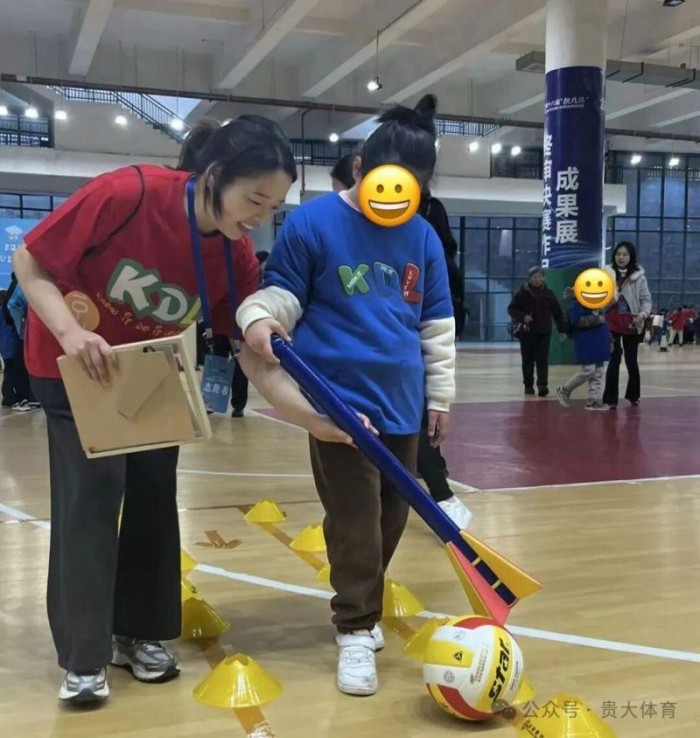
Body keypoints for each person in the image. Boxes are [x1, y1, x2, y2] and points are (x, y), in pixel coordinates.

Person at [11, 115, 309, 705]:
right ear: (215, 176)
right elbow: (30, 261)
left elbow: (251, 357)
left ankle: (139, 633)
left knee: (153, 497)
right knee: (91, 498)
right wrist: (71, 332)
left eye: (274, 207)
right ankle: (84, 656)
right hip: (75, 367)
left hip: (150, 376)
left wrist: (315, 419)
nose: (260, 216)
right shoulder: (128, 193)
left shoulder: (235, 255)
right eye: (254, 199)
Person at [237, 94, 455, 697]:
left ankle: (364, 606)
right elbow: (282, 293)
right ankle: (355, 626)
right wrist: (257, 315)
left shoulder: (422, 236)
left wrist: (440, 399)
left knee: (391, 518)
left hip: (403, 400)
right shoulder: (312, 223)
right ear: (360, 168)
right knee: (355, 520)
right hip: (336, 403)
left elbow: (436, 324)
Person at [416, 190, 471, 529]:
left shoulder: (430, 259)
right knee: (420, 421)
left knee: (420, 421)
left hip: (418, 351)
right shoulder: (446, 261)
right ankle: (436, 480)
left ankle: (442, 495)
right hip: (423, 351)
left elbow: (440, 319)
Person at [601, 241, 652, 409]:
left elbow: (646, 299)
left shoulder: (639, 277)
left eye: (624, 254)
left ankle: (633, 395)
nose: (621, 257)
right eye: (618, 254)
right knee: (614, 360)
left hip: (632, 323)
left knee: (631, 361)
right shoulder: (606, 274)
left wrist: (642, 315)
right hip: (612, 323)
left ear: (631, 257)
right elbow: (597, 296)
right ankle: (610, 400)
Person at [508, 266, 567, 397]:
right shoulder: (522, 293)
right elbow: (511, 309)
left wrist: (562, 330)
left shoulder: (548, 293)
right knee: (527, 360)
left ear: (543, 278)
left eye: (540, 277)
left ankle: (542, 385)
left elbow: (557, 313)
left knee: (542, 360)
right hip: (527, 332)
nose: (537, 279)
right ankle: (528, 385)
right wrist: (523, 316)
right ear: (529, 278)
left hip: (544, 332)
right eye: (535, 277)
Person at [556, 294, 610, 410]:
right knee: (588, 370)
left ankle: (594, 400)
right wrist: (597, 320)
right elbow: (576, 321)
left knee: (599, 371)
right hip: (586, 341)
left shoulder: (600, 304)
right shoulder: (577, 305)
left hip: (599, 340)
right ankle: (564, 390)